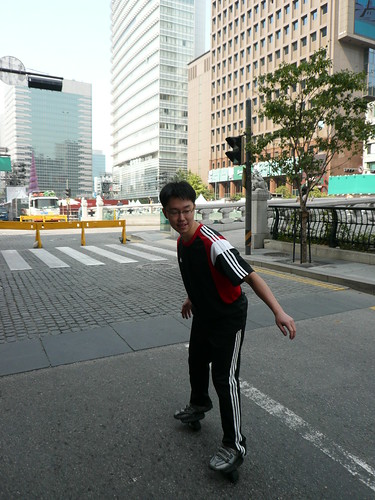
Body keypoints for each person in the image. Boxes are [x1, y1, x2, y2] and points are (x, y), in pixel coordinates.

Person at [159, 181, 296, 473]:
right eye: (174, 212)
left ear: (195, 208)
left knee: (225, 378)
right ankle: (199, 405)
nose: (181, 218)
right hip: (205, 314)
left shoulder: (214, 243)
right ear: (165, 213)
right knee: (195, 361)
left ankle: (235, 444)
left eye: (187, 211)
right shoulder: (183, 241)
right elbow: (200, 274)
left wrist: (279, 311)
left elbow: (250, 276)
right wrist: (191, 298)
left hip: (228, 318)